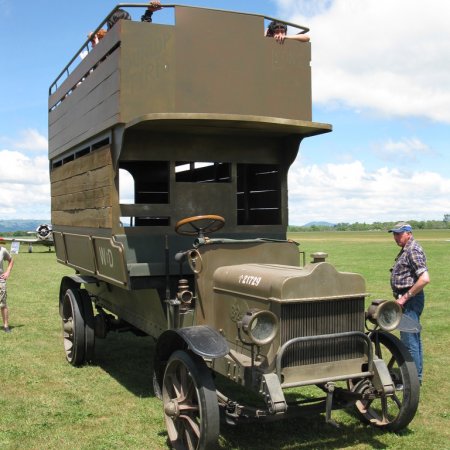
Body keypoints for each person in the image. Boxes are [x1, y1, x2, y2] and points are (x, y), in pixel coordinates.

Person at [389, 222, 430, 384]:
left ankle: (412, 382)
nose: (396, 237)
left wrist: (404, 298)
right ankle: (416, 378)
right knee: (413, 339)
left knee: (409, 342)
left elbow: (425, 278)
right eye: (394, 234)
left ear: (409, 233)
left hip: (410, 301)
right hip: (408, 300)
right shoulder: (407, 249)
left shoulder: (413, 250)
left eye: (399, 234)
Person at [0, 245, 14, 333]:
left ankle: (6, 326)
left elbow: (11, 260)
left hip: (0, 280)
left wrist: (8, 271)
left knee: (3, 304)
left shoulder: (3, 250)